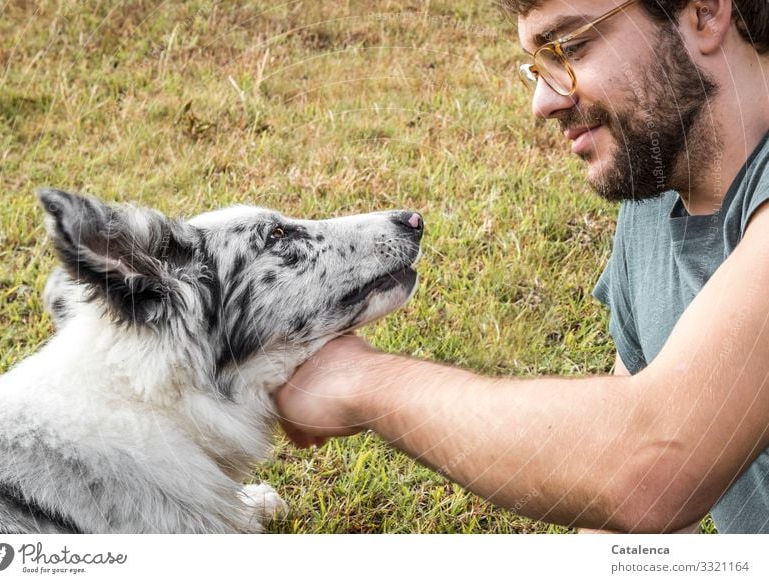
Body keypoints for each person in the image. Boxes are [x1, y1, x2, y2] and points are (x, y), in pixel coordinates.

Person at [275, 0, 769, 533]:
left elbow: (652, 468)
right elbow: (622, 517)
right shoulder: (656, 182)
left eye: (570, 47)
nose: (543, 102)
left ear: (705, 12)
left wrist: (361, 381)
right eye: (538, 65)